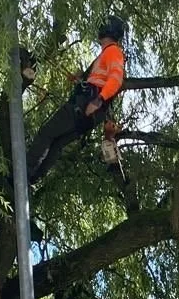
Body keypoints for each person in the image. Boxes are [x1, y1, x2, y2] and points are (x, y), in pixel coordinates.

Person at [26, 15, 127, 184]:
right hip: (90, 112)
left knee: (47, 132)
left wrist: (97, 101)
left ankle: (25, 171)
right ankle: (34, 178)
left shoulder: (113, 52)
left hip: (86, 105)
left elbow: (116, 80)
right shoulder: (106, 54)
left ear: (107, 29)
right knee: (57, 143)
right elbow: (101, 80)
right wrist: (82, 80)